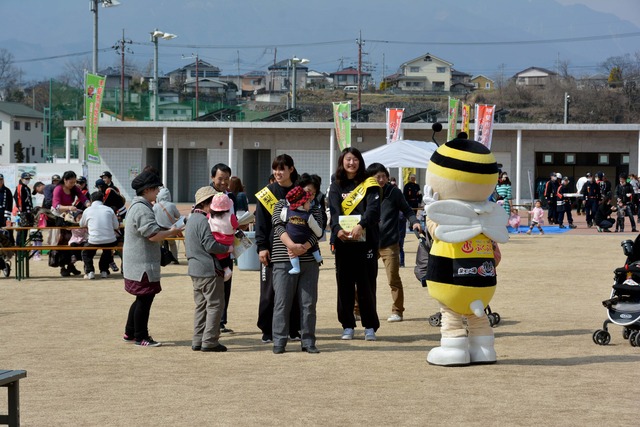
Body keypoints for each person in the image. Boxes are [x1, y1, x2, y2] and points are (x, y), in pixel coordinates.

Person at [122, 171, 183, 347]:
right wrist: (172, 231)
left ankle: (130, 332)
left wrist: (168, 229)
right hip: (142, 264)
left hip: (137, 263)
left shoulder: (138, 205)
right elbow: (153, 235)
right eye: (156, 189)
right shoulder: (142, 208)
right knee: (145, 299)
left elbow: (151, 230)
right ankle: (141, 336)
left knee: (141, 298)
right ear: (147, 189)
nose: (157, 192)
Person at [328, 147, 381, 341]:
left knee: (367, 285)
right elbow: (333, 211)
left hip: (366, 243)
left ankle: (370, 326)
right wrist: (336, 229)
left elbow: (374, 210)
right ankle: (347, 325)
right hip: (344, 243)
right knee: (344, 285)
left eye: (355, 159)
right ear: (342, 161)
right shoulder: (336, 185)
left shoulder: (370, 183)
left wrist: (361, 225)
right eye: (348, 159)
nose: (352, 163)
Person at [271, 183, 324, 354]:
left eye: (313, 192)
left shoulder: (314, 208)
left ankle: (308, 341)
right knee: (282, 302)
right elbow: (277, 225)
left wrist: (305, 247)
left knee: (308, 304)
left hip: (309, 261)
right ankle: (279, 341)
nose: (310, 195)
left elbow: (318, 232)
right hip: (283, 259)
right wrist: (292, 246)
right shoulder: (281, 204)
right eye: (307, 191)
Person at [255, 154, 301, 343]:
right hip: (272, 250)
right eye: (275, 168)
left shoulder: (299, 191)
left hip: (296, 250)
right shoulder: (267, 193)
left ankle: (293, 329)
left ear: (291, 169)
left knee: (294, 290)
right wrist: (262, 247)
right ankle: (267, 329)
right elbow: (261, 223)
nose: (278, 172)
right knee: (269, 292)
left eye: (282, 168)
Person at [366, 162, 420, 323]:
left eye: (383, 176)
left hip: (389, 243)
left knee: (393, 279)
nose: (381, 179)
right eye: (377, 177)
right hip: (369, 242)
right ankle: (357, 309)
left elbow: (407, 209)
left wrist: (415, 221)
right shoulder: (366, 192)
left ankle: (397, 311)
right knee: (363, 277)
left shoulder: (394, 192)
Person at [185, 186, 234, 353]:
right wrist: (228, 249)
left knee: (201, 306)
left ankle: (197, 340)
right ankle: (210, 341)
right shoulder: (203, 221)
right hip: (209, 269)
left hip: (194, 269)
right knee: (215, 305)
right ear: (206, 203)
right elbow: (210, 245)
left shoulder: (191, 219)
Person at [209, 163, 237, 334]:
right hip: (211, 251)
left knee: (226, 285)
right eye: (220, 179)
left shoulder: (231, 196)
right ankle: (211, 322)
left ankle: (221, 321)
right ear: (212, 178)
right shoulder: (206, 195)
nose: (223, 182)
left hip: (228, 248)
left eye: (227, 179)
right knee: (213, 287)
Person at [280, 186, 323, 275]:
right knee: (313, 244)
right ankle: (318, 257)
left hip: (292, 241)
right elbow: (318, 232)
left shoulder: (287, 211)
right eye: (308, 202)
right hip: (306, 240)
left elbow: (282, 219)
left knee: (291, 252)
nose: (309, 204)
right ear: (302, 203)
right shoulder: (308, 216)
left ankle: (296, 267)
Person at [79, 191, 120, 279]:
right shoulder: (109, 210)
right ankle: (104, 271)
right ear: (103, 199)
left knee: (86, 253)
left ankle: (90, 271)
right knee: (107, 251)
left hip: (94, 240)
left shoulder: (87, 210)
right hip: (110, 240)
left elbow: (81, 224)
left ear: (91, 200)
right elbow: (116, 226)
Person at [207, 193, 239, 281]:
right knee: (225, 256)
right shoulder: (231, 216)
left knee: (219, 257)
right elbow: (235, 225)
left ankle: (225, 269)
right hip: (228, 242)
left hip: (215, 241)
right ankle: (226, 269)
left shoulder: (209, 216)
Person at [153, 187, 181, 262]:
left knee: (158, 245)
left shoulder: (155, 206)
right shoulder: (172, 205)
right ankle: (174, 259)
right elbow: (178, 216)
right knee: (172, 244)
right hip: (171, 231)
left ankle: (158, 259)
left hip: (159, 232)